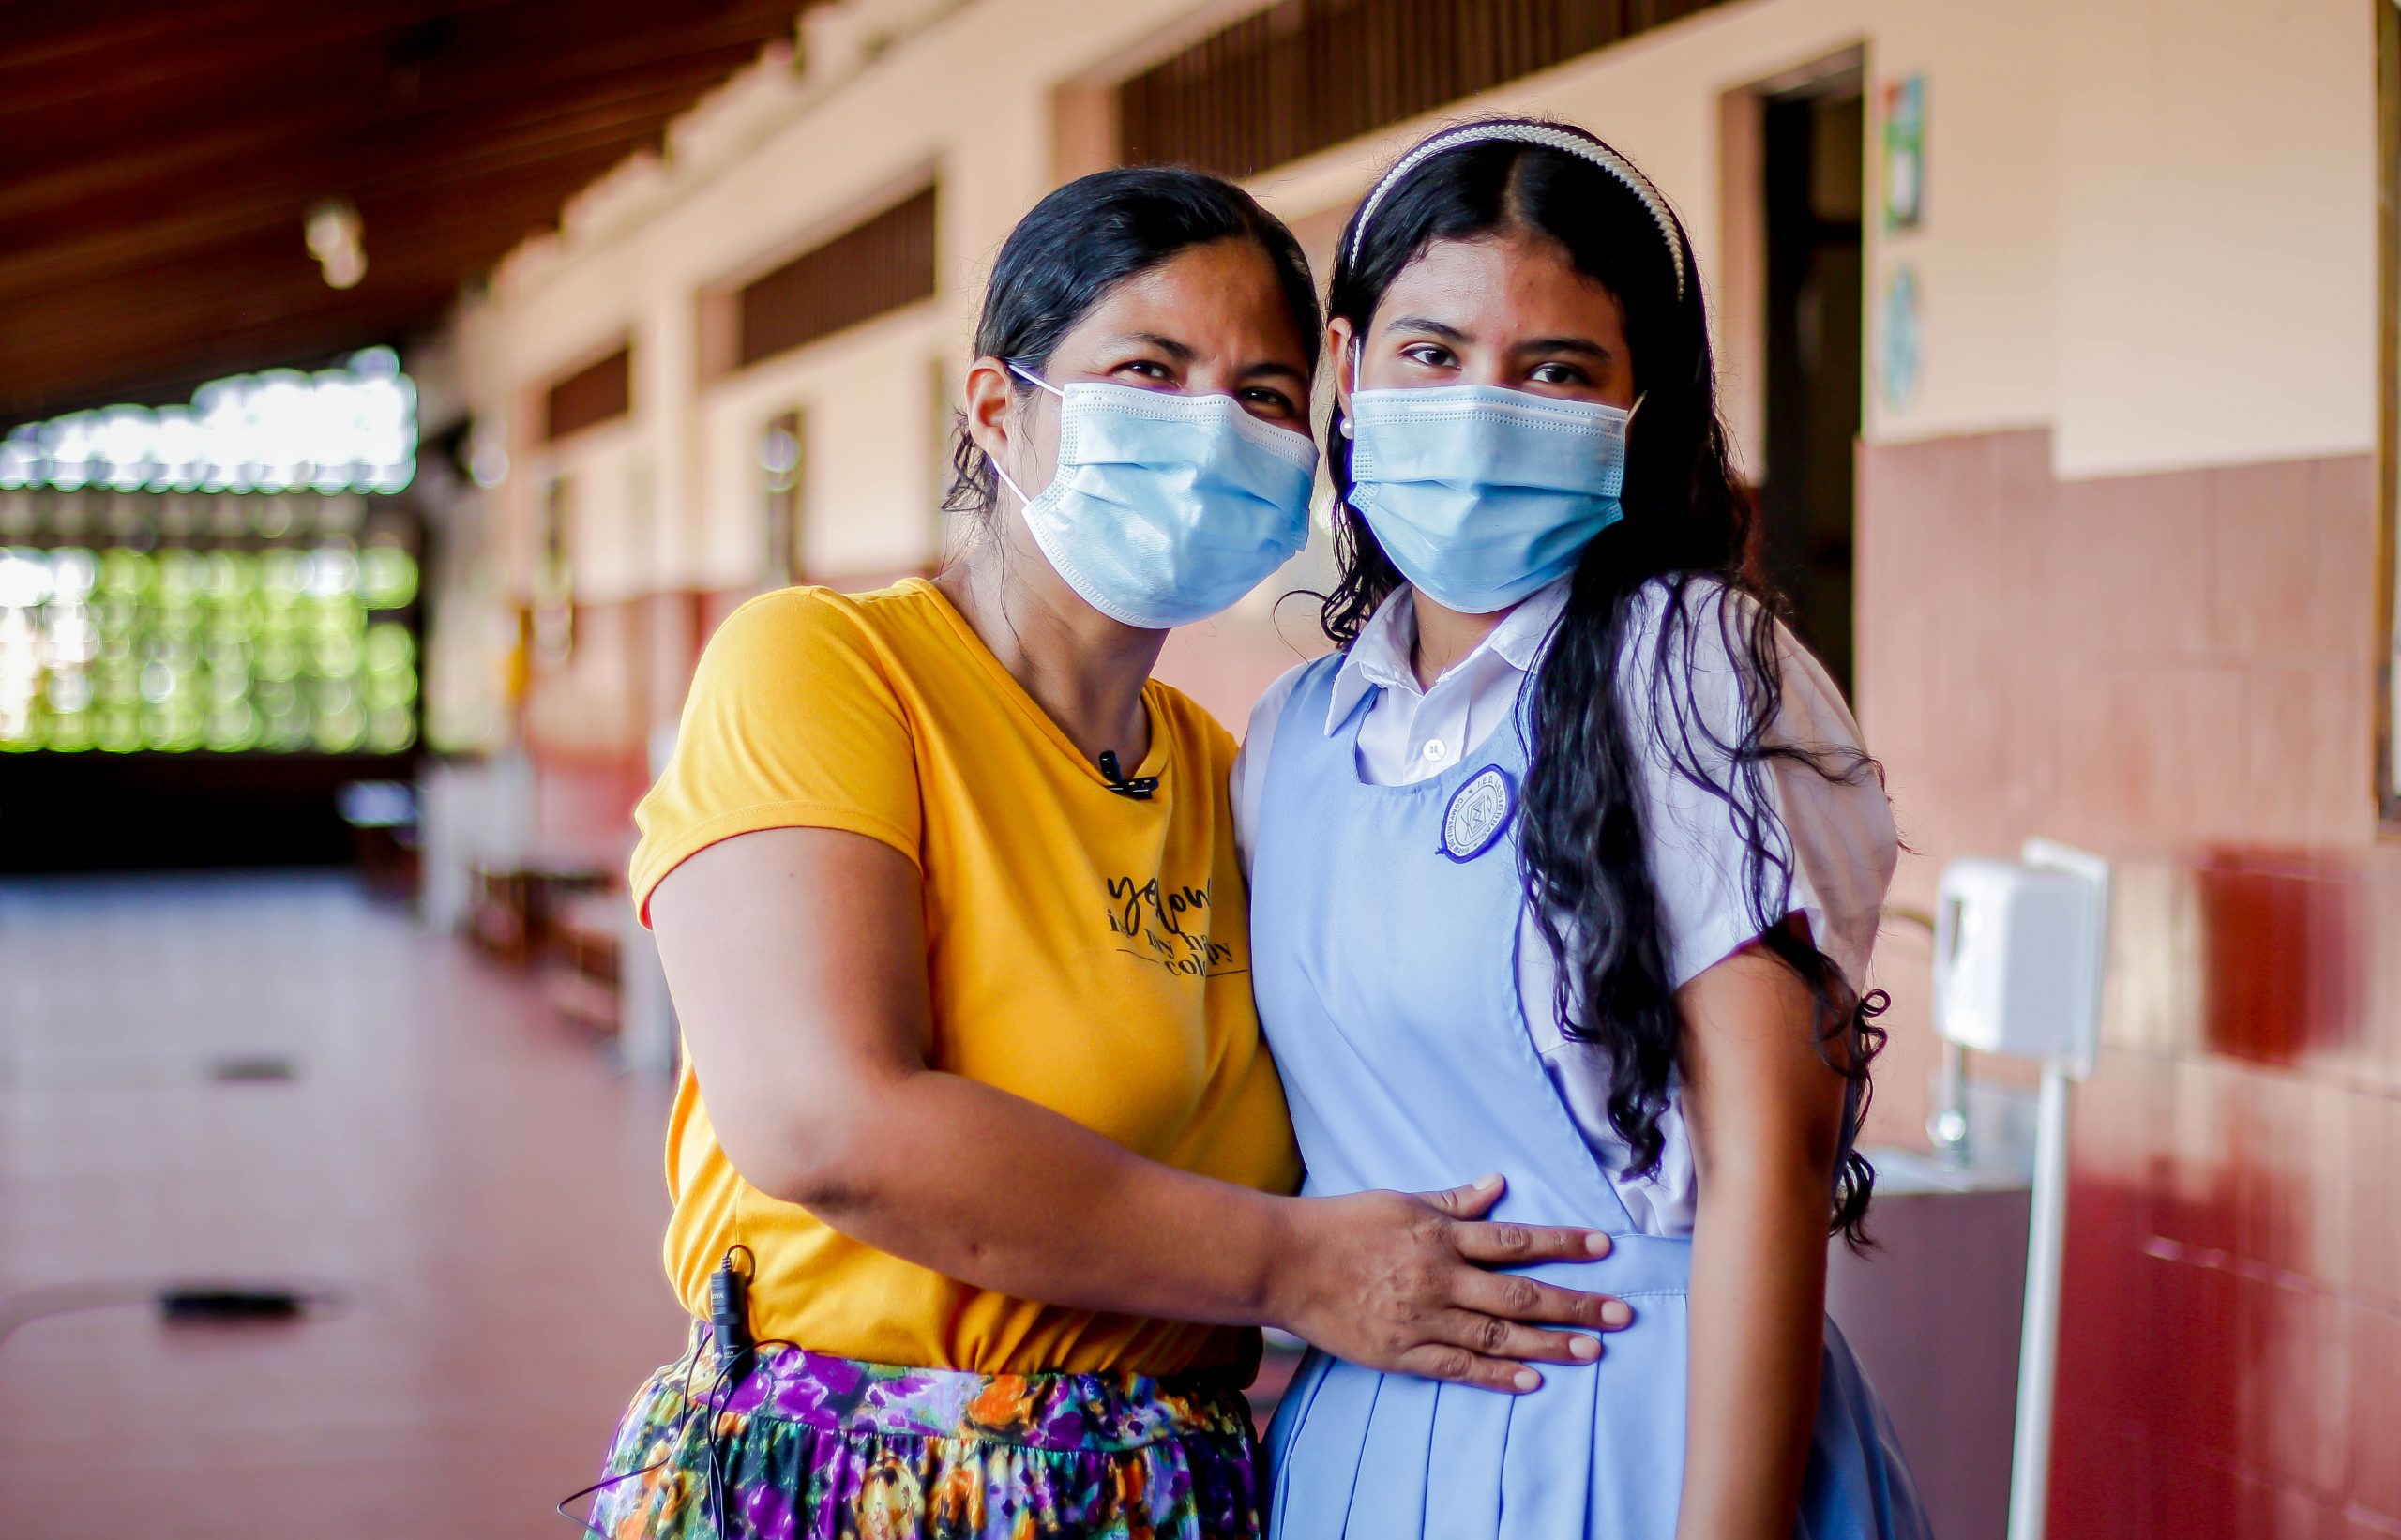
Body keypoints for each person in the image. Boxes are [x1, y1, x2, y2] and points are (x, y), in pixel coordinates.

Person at [577, 165, 1628, 1540]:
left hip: (1166, 1487)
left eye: (1261, 394)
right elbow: (825, 1119)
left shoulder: (1234, 772)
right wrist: (1288, 1266)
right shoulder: (829, 669)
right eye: (1151, 366)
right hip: (862, 1479)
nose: (1211, 427)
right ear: (1001, 411)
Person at [1237, 120, 1932, 1537]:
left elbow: (1771, 1159)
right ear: (1351, 373)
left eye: (1556, 370)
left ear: (1638, 410)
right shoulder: (1296, 733)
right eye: (1434, 353)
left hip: (1642, 1440)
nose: (1485, 406)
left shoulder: (1684, 666)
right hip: (1358, 1454)